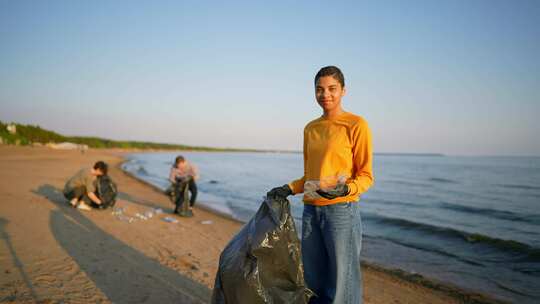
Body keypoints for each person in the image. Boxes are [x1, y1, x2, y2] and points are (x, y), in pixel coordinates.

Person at [267, 66, 374, 304]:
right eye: (319, 89)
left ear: (343, 91)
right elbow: (310, 177)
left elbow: (366, 176)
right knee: (313, 283)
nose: (325, 94)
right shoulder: (310, 128)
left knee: (342, 286)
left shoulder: (356, 124)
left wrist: (347, 189)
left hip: (341, 211)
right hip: (310, 211)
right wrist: (288, 188)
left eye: (332, 89)